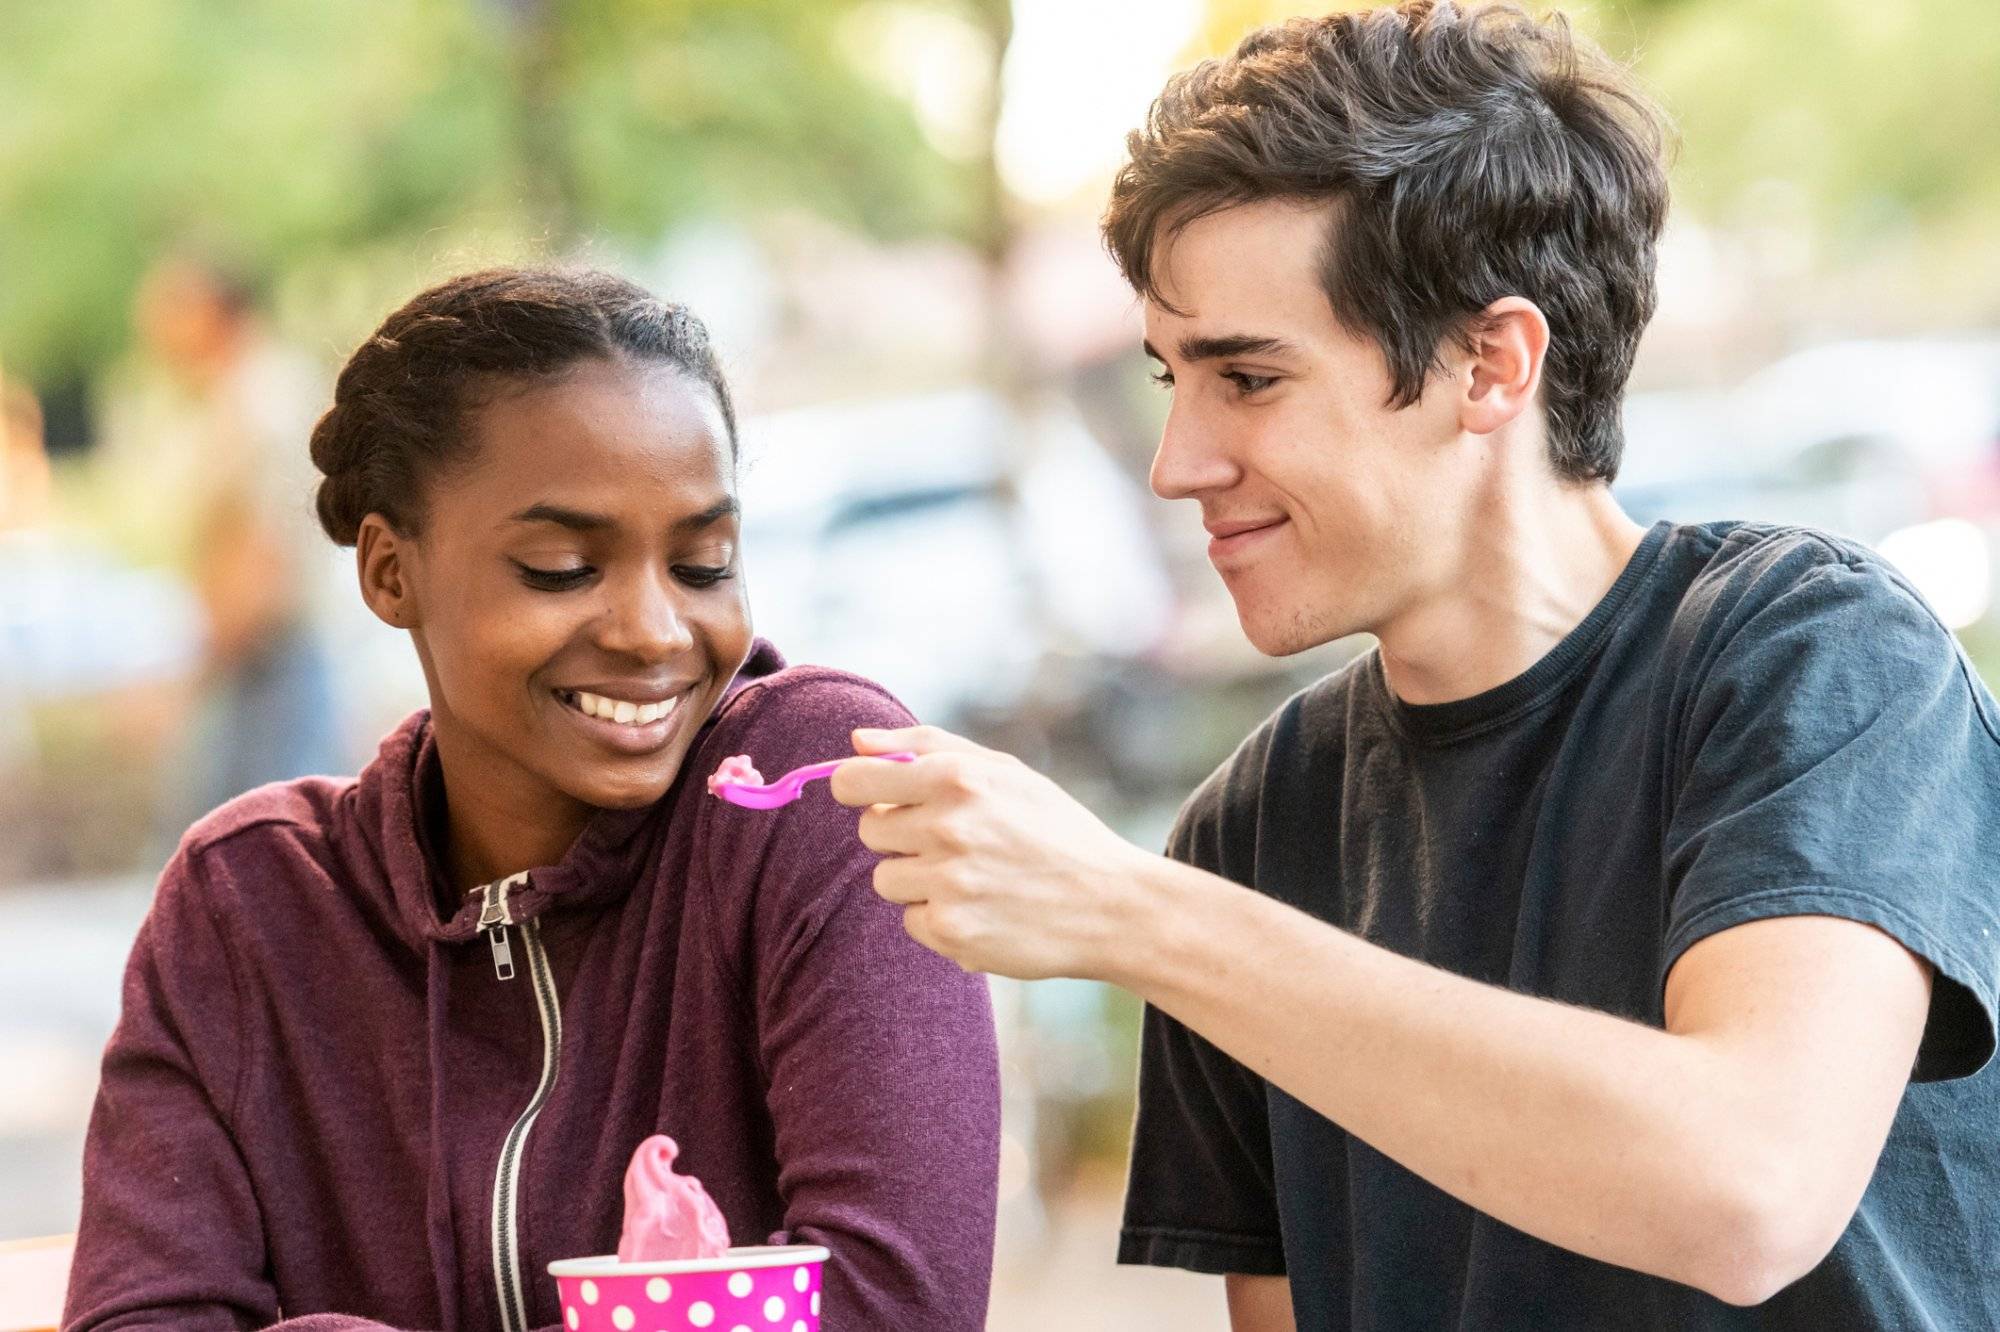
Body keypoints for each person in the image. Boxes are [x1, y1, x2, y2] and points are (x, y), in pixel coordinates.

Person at [828, 3, 2000, 1328]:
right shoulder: (1253, 836)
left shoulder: (1815, 659)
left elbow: (1750, 1189)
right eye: (1172, 382)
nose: (1178, 465)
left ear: (1487, 365)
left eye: (1250, 379)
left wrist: (1129, 915)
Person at [66, 269, 1001, 1331]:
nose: (654, 630)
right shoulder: (247, 907)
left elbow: (888, 1307)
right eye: (561, 566)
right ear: (388, 571)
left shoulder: (820, 793)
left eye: (703, 564)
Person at [94, 256, 346, 836]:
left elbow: (264, 555)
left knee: (259, 854)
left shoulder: (261, 402)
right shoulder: (239, 395)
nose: (154, 330)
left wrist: (188, 679)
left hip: (265, 663)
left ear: (213, 311)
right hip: (255, 661)